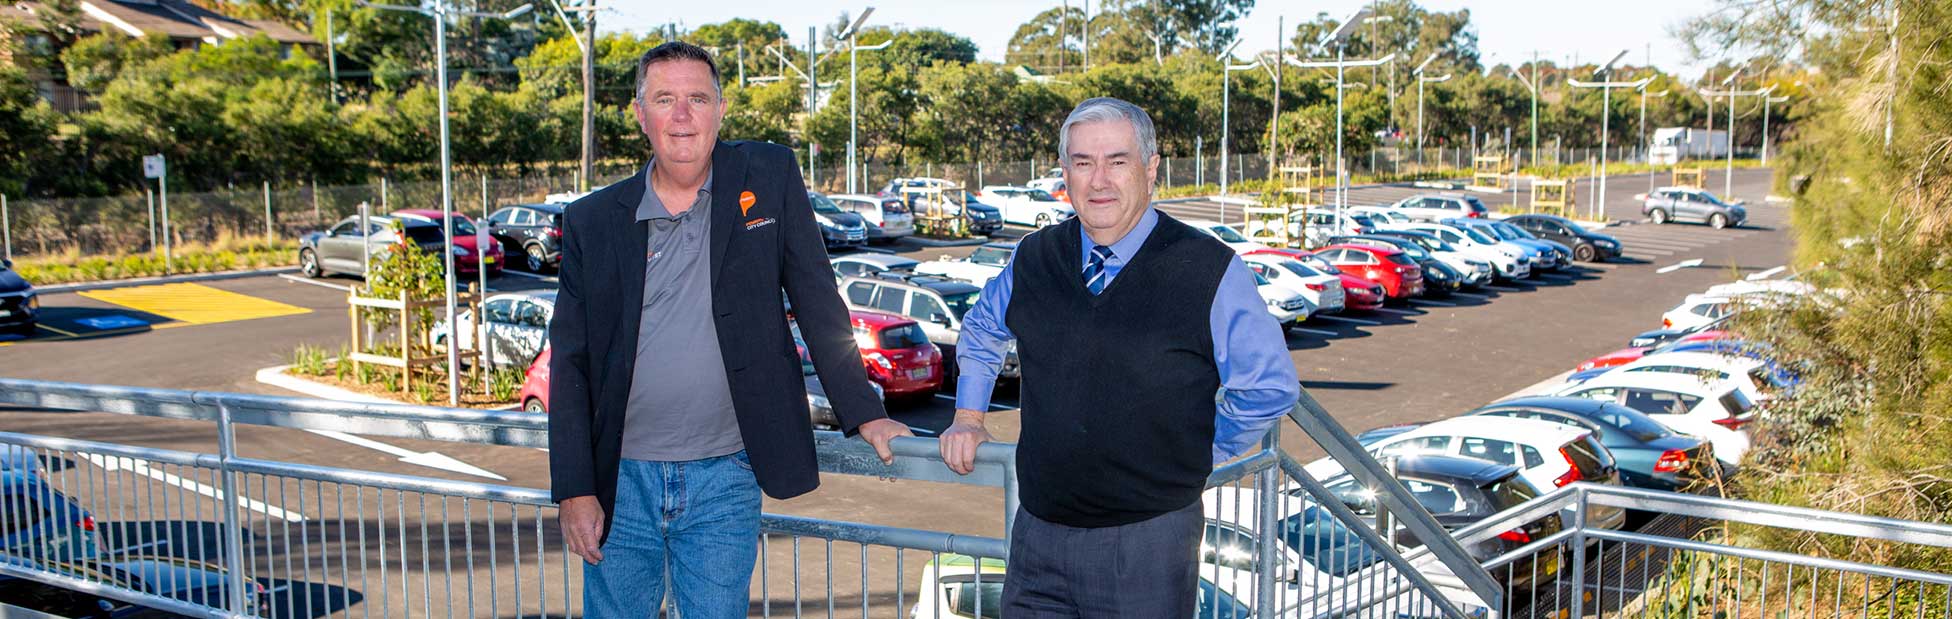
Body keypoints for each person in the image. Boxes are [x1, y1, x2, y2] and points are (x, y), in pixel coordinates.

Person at [546, 41, 912, 617]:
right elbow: (570, 361)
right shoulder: (593, 221)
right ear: (641, 114)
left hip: (727, 476)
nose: (683, 115)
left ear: (721, 108)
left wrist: (864, 411)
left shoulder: (768, 175)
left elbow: (816, 297)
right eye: (665, 99)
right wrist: (574, 487)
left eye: (698, 97)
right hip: (619, 481)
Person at [938, 97, 1301, 617]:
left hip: (1147, 546)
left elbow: (1269, 387)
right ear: (1065, 173)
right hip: (1037, 537)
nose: (1099, 180)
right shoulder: (1035, 256)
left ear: (1151, 169)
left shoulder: (1208, 270)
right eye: (1083, 163)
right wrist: (968, 416)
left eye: (1118, 161)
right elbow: (981, 329)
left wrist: (1198, 454)